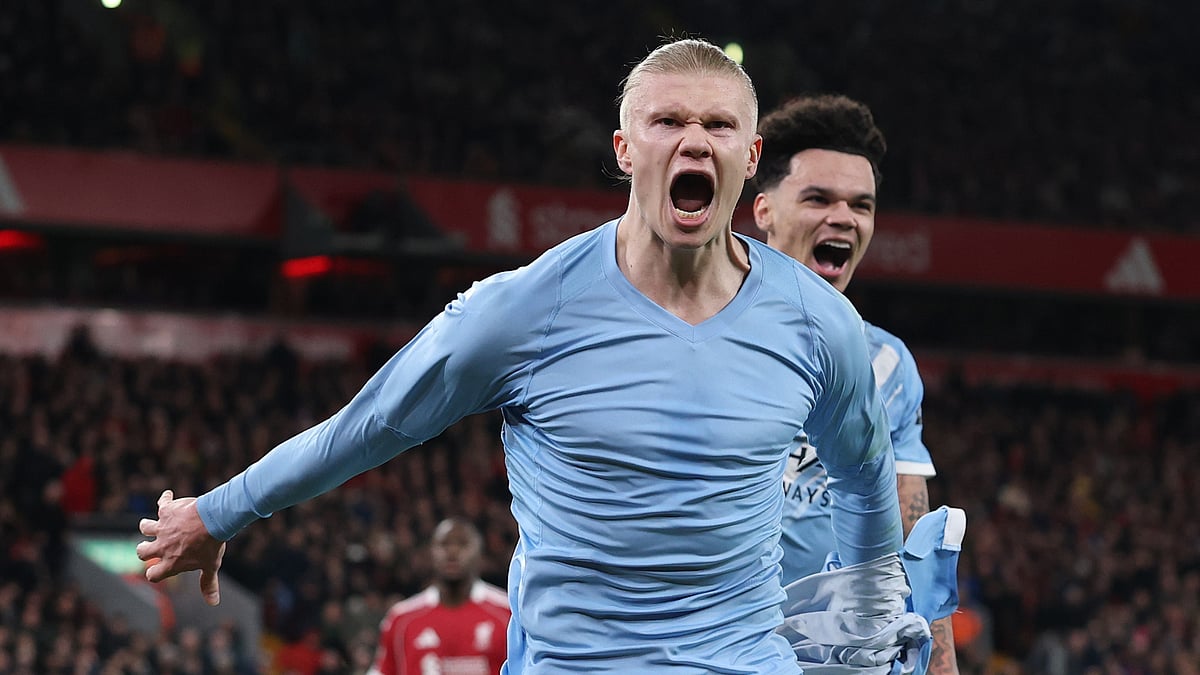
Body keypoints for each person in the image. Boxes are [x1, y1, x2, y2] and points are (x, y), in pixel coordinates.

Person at [136, 38, 904, 674]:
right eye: (667, 120)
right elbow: (370, 423)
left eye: (719, 125)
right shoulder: (525, 308)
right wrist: (219, 510)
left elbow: (866, 480)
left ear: (751, 154)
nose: (694, 139)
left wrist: (867, 642)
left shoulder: (815, 322)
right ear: (624, 150)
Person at [752, 93, 959, 673]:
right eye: (818, 198)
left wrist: (939, 668)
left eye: (860, 205)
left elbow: (911, 548)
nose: (843, 217)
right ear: (763, 209)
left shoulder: (888, 366)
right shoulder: (699, 332)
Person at [367, 518, 510, 675]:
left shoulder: (507, 614)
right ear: (431, 552)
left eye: (462, 544)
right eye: (444, 544)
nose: (452, 552)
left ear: (479, 553)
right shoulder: (401, 619)